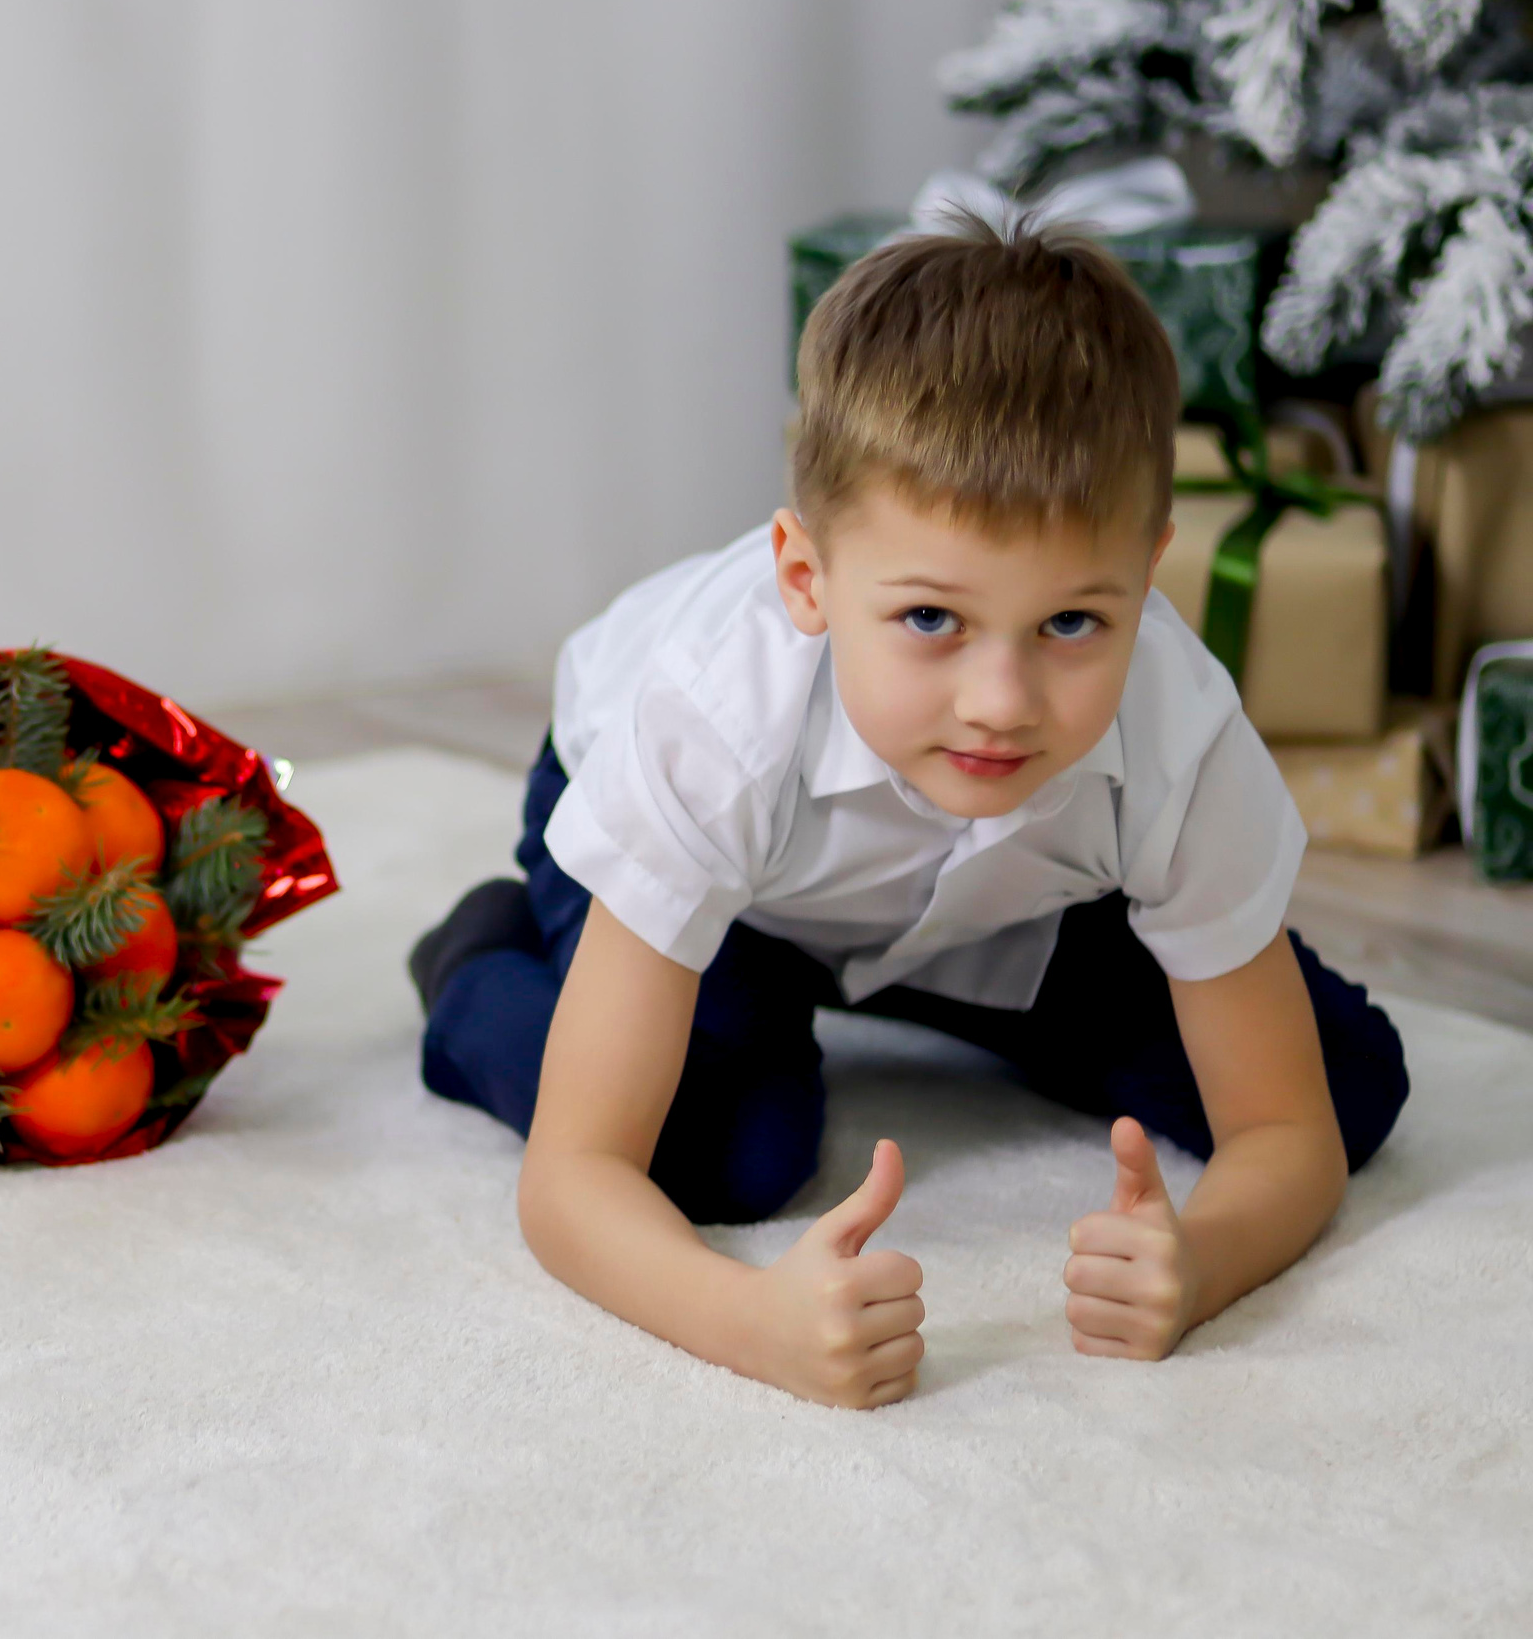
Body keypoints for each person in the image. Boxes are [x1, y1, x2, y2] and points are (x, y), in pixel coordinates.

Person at [407, 206, 1409, 1411]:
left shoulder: (1177, 734)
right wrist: (752, 1321)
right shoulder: (712, 719)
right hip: (732, 886)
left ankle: (902, 982)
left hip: (996, 897)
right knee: (730, 1151)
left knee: (1351, 1078)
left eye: (1072, 624)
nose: (1000, 704)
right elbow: (573, 1178)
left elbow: (1284, 1132)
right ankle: (480, 962)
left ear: (1148, 573)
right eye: (930, 619)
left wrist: (1199, 1265)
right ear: (805, 578)